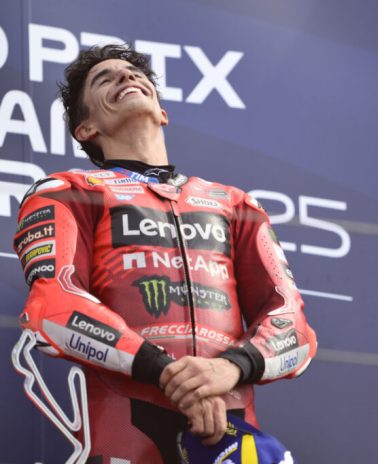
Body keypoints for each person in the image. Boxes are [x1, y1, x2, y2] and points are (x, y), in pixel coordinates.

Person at [13, 44, 316, 463]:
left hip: (230, 432)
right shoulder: (67, 192)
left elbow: (292, 323)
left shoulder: (236, 204)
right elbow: (53, 306)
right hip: (125, 434)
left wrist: (227, 369)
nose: (126, 77)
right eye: (105, 79)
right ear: (85, 128)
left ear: (163, 112)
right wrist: (167, 373)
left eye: (134, 73)